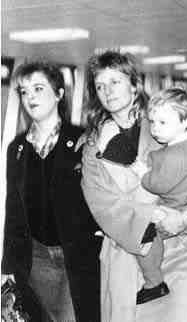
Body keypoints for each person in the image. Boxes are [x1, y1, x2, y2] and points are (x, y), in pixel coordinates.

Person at [80, 50, 187, 322]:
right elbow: (102, 205)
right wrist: (154, 216)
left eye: (115, 81)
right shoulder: (92, 148)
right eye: (100, 86)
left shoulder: (164, 122)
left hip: (180, 249)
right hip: (127, 255)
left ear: (134, 84)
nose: (107, 91)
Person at [96, 87, 187, 304]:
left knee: (142, 234)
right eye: (153, 122)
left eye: (162, 123)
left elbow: (156, 184)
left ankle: (154, 282)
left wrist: (141, 171)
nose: (155, 129)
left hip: (171, 208)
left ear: (184, 122)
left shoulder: (173, 158)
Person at [1, 61, 101, 322]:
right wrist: (7, 267)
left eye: (38, 88)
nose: (30, 97)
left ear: (59, 94)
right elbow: (14, 212)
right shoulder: (17, 149)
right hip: (36, 259)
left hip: (76, 256)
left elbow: (100, 197)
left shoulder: (83, 141)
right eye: (24, 92)